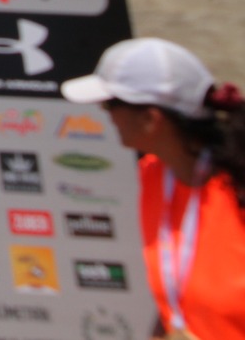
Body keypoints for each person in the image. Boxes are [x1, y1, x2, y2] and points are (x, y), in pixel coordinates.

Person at [62, 37, 245, 340]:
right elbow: (178, 295)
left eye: (110, 104)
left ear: (151, 119)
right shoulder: (153, 175)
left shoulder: (236, 192)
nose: (105, 114)